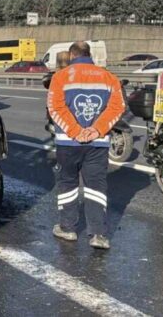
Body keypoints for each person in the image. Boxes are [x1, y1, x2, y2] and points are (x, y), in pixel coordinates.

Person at [48, 41, 125, 250]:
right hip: (97, 143)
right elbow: (117, 107)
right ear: (89, 55)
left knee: (68, 184)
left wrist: (75, 131)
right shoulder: (108, 77)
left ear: (72, 56)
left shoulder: (61, 77)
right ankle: (99, 234)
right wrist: (96, 130)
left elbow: (55, 108)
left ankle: (68, 228)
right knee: (96, 186)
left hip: (68, 142)